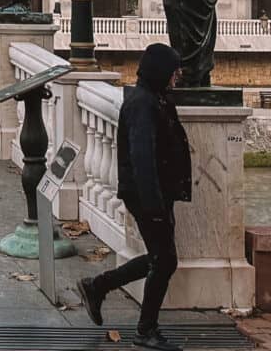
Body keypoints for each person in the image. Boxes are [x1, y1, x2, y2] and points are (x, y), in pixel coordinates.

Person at [77, 43, 192, 351]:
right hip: (147, 195)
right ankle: (145, 328)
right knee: (164, 260)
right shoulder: (143, 104)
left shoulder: (154, 98)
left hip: (155, 193)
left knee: (161, 258)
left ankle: (98, 286)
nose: (177, 76)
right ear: (160, 71)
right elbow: (143, 159)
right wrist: (154, 205)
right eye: (174, 70)